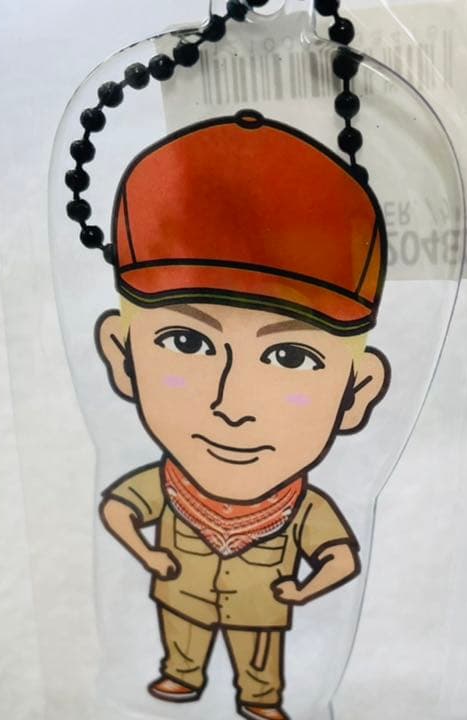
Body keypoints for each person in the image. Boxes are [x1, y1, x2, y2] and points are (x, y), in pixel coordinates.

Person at [96, 111, 390, 720]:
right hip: (181, 596)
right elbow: (119, 510)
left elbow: (338, 555)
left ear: (356, 392)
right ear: (122, 358)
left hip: (261, 611)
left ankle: (260, 697)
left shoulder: (300, 509)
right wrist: (148, 557)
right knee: (181, 633)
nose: (231, 406)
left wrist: (303, 590)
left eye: (291, 357)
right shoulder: (166, 486)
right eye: (187, 343)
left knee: (260, 657)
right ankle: (181, 673)